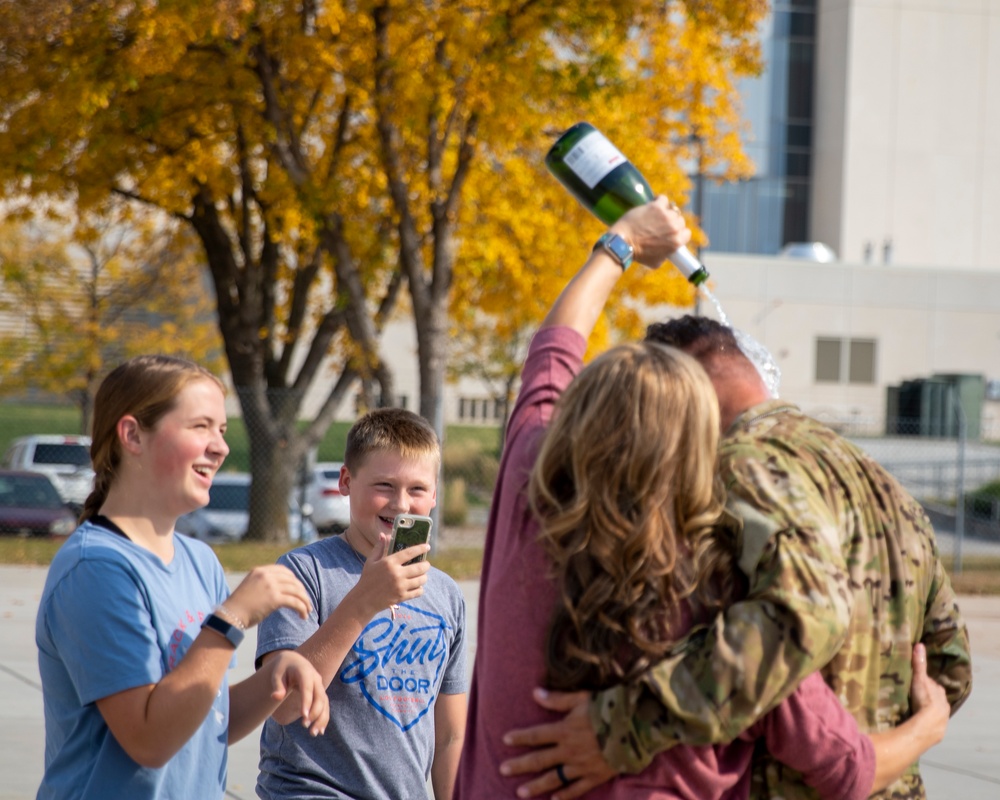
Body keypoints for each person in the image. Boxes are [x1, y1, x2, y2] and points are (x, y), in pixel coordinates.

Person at [452, 198, 951, 800]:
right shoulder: (723, 588)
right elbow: (848, 769)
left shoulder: (526, 489)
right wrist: (927, 726)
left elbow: (554, 349)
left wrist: (622, 241)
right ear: (699, 447)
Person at [35, 355, 330, 800]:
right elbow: (150, 741)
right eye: (201, 427)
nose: (221, 447)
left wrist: (275, 680)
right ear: (133, 435)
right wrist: (231, 620)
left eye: (222, 430)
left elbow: (206, 720)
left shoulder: (200, 561)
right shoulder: (96, 569)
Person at [255, 407, 468, 799]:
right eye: (384, 485)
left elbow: (450, 737)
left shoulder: (445, 594)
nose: (401, 504)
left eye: (417, 489)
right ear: (346, 481)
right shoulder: (303, 572)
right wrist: (365, 601)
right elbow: (284, 704)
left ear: (435, 495)